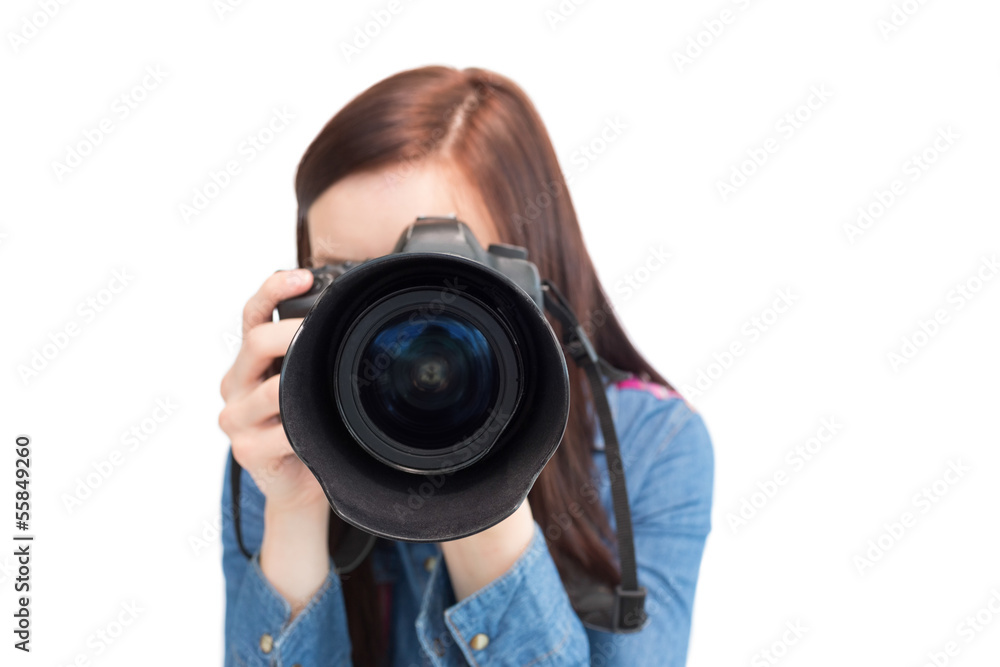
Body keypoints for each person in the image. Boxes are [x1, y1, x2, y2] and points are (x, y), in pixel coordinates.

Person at [218, 65, 714, 666]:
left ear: (531, 275)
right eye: (345, 276)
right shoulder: (279, 443)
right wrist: (295, 507)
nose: (399, 329)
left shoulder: (654, 444)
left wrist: (481, 486)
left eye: (434, 277)